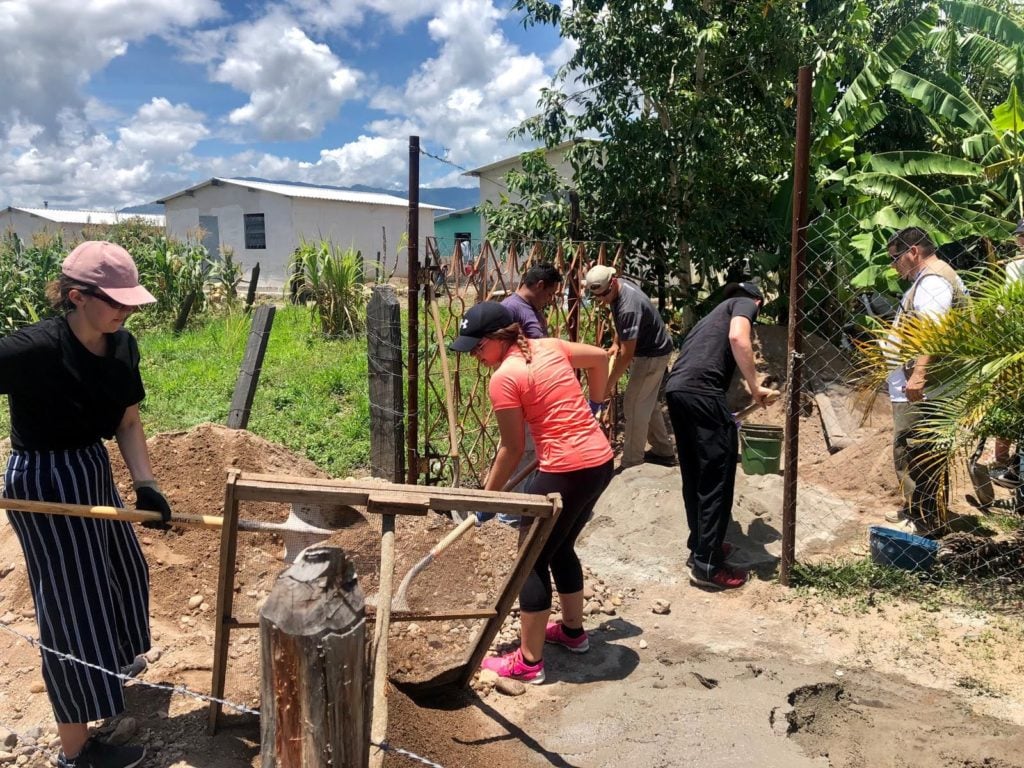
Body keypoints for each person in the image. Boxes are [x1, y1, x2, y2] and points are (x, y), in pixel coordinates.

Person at [0, 241, 173, 768]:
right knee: (71, 606)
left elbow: (126, 419)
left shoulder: (123, 347)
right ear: (77, 296)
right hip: (44, 481)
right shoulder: (30, 350)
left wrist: (145, 484)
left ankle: (109, 667)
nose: (126, 311)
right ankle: (76, 751)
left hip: (90, 469)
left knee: (123, 571)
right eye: (116, 302)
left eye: (130, 302)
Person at [450, 302, 614, 683]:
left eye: (477, 348)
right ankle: (573, 633)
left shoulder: (504, 377)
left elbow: (509, 448)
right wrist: (596, 403)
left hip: (565, 471)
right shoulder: (550, 346)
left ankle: (528, 662)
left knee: (530, 560)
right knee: (560, 546)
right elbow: (601, 358)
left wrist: (487, 502)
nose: (476, 357)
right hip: (598, 463)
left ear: (497, 338)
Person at [664, 281, 774, 590]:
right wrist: (755, 386)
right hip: (702, 392)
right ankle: (708, 564)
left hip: (677, 390)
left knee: (696, 473)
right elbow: (738, 336)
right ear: (758, 301)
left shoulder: (708, 318)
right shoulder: (745, 304)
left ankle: (700, 545)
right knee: (717, 475)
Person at [882, 227, 966, 534]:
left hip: (923, 389)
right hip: (925, 385)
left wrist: (918, 375)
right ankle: (920, 511)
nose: (894, 267)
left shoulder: (933, 282)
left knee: (914, 447)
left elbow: (933, 330)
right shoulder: (933, 279)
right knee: (922, 448)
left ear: (913, 251)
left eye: (895, 258)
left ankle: (923, 521)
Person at [584, 265, 676, 469]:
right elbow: (623, 325)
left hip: (651, 355)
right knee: (646, 403)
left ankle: (632, 462)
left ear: (613, 282)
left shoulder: (628, 306)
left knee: (633, 405)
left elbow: (627, 355)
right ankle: (663, 451)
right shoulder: (620, 289)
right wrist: (616, 341)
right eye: (598, 297)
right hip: (652, 350)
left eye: (605, 295)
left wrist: (607, 385)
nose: (603, 300)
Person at [498, 263, 563, 509]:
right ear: (539, 285)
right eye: (549, 294)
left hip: (537, 392)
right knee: (519, 450)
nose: (549, 300)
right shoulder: (510, 309)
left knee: (532, 450)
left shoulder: (529, 309)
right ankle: (509, 510)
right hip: (522, 394)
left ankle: (525, 503)